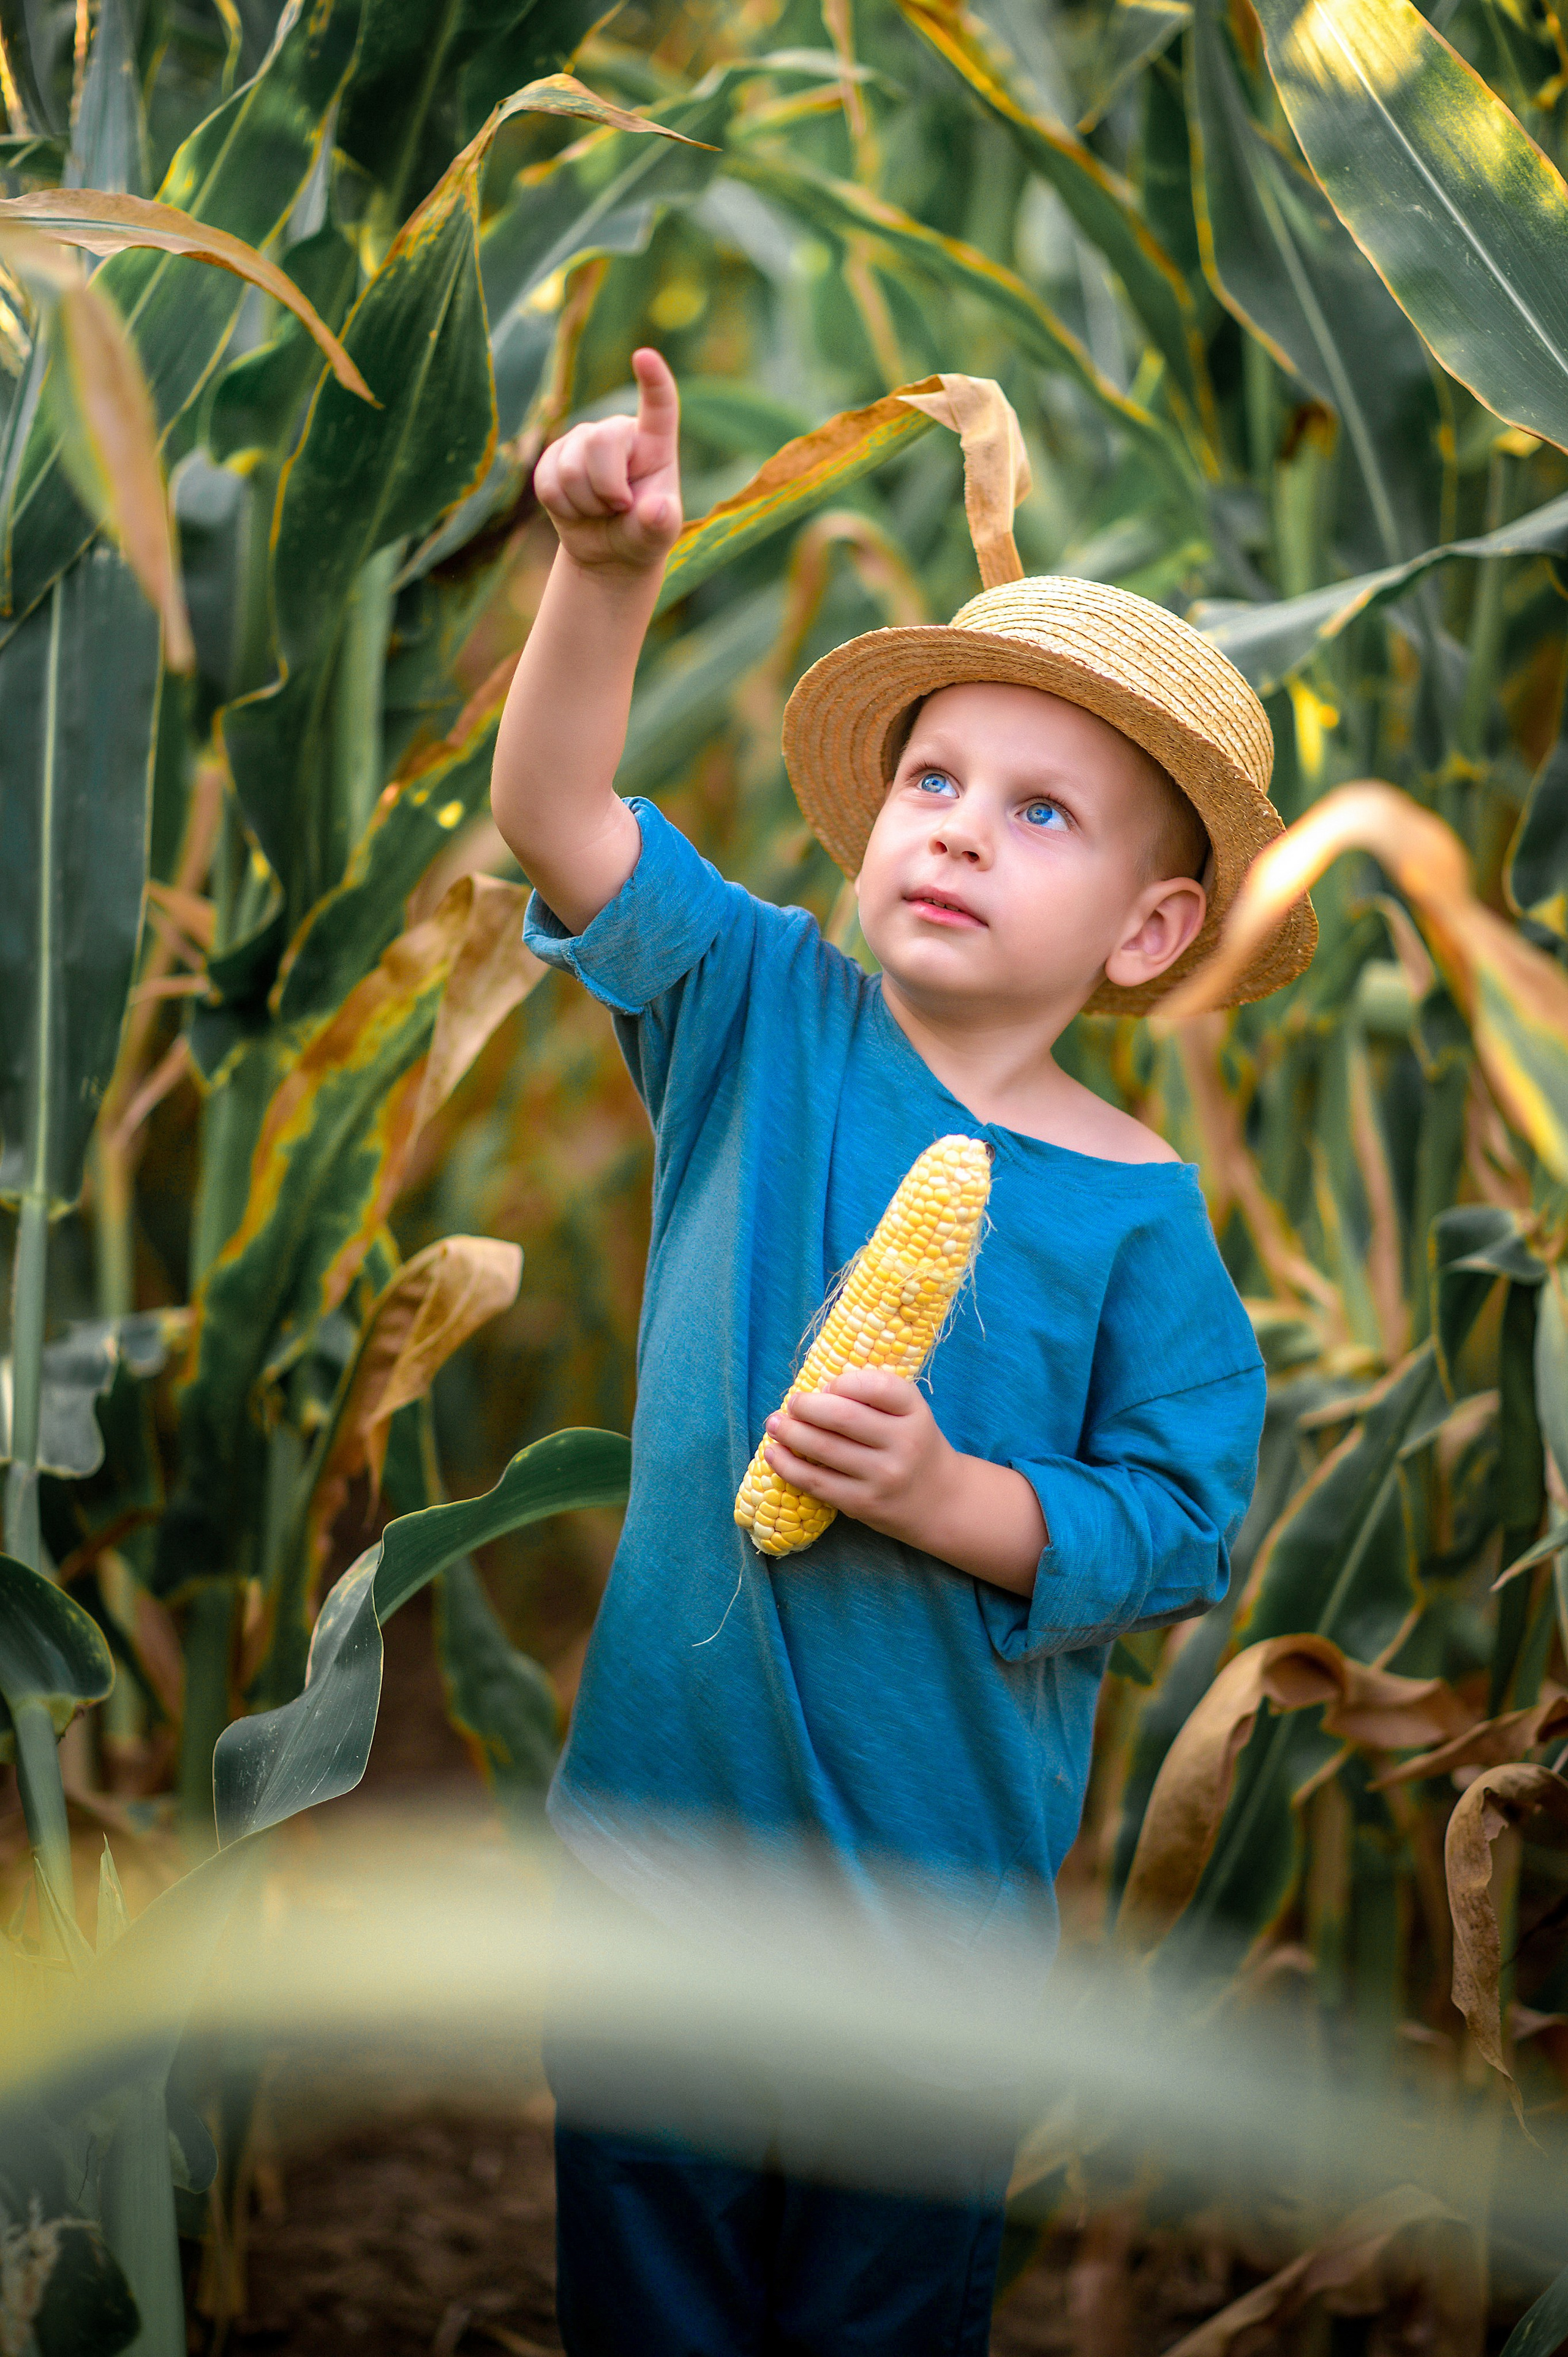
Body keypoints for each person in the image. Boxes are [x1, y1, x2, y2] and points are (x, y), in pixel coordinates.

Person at [489, 347, 1315, 2356]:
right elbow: (554, 810)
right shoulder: (755, 1009)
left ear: (1144, 930)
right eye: (933, 783)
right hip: (661, 1879)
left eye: (1040, 812)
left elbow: (1183, 1522)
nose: (954, 831)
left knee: (874, 2322)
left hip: (926, 1923)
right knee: (655, 2301)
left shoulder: (1139, 1217)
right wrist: (601, 573)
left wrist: (955, 1498)